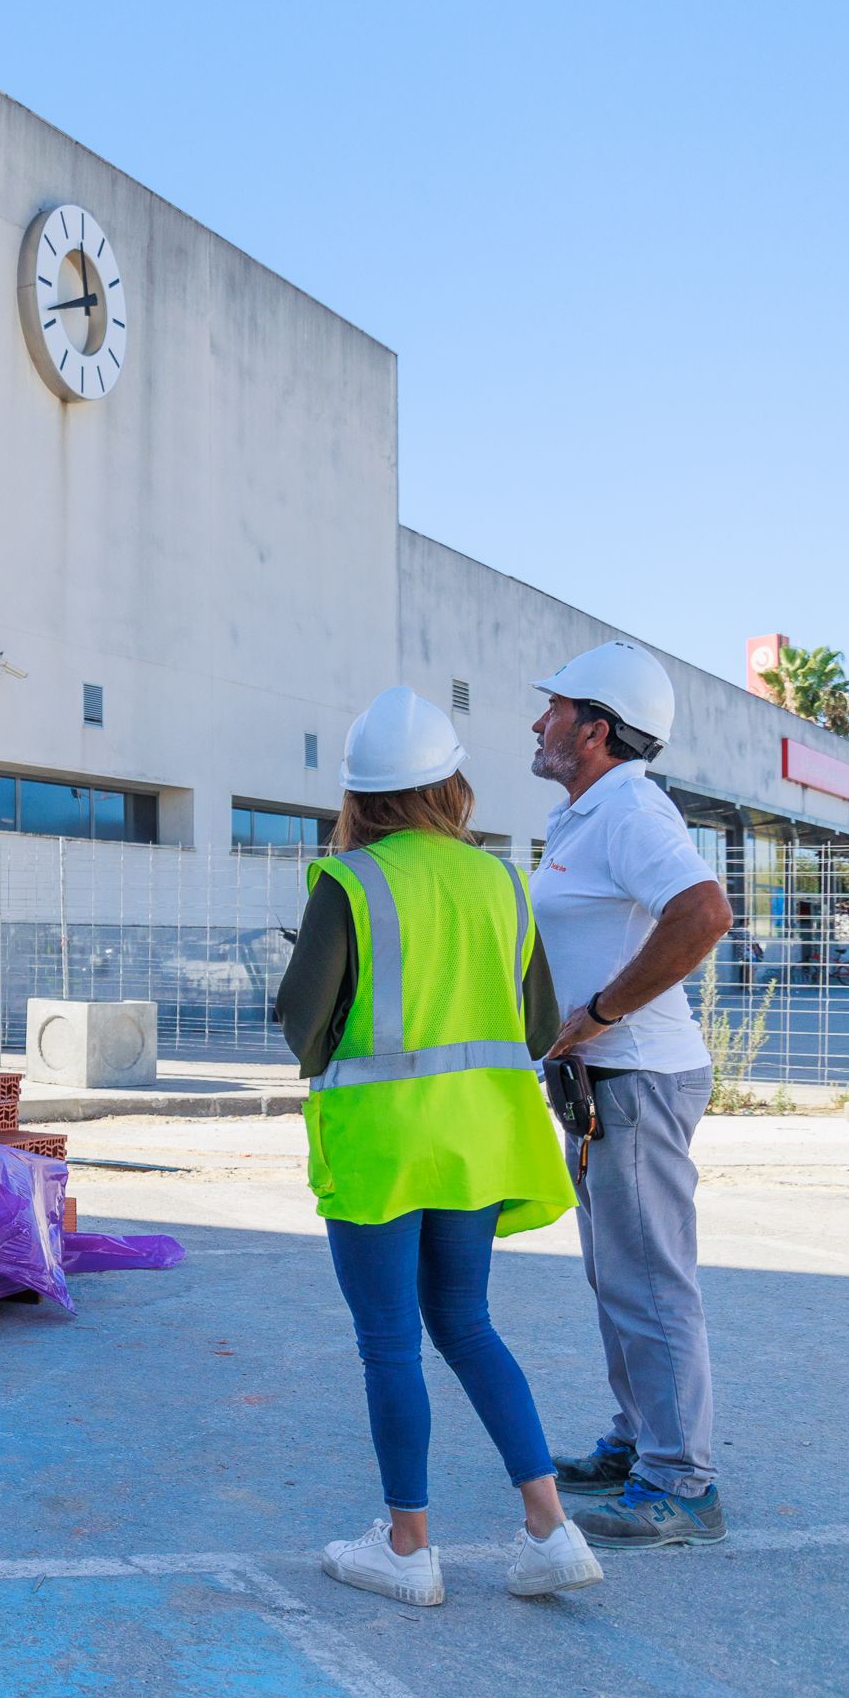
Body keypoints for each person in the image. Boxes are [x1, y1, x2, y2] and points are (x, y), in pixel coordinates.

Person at [278, 686, 601, 1607]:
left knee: (390, 1343)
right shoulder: (503, 881)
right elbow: (538, 1023)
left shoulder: (349, 880)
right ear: (449, 783)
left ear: (359, 794)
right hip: (479, 1145)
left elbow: (305, 1032)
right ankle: (549, 1528)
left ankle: (409, 1548)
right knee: (466, 1324)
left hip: (382, 1150)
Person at [528, 640, 736, 1549]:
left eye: (556, 709)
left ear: (597, 729)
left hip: (640, 1075)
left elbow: (704, 914)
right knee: (617, 1272)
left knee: (650, 1279)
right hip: (599, 1081)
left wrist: (605, 1010)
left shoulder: (632, 811)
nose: (539, 722)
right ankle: (636, 1443)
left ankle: (682, 1482)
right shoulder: (585, 814)